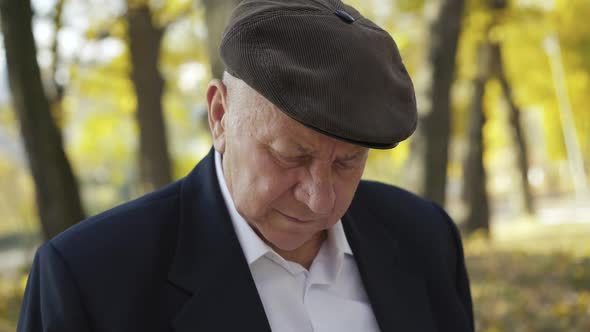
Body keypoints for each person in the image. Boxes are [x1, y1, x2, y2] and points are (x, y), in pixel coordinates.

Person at [17, 0, 474, 331]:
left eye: (347, 163)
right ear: (220, 115)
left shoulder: (426, 237)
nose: (320, 197)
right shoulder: (88, 278)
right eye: (290, 155)